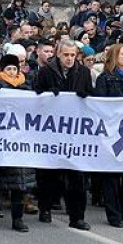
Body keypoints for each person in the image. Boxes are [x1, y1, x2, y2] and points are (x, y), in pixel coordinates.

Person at [33, 39, 93, 231]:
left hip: (74, 134)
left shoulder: (83, 72)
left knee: (77, 177)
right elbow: (35, 96)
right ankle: (45, 208)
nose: (69, 59)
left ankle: (77, 217)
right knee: (50, 175)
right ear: (58, 54)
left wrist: (86, 96)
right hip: (51, 133)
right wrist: (48, 95)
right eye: (65, 55)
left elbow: (93, 99)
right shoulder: (46, 71)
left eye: (72, 55)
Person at [0, 53, 35, 232]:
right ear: (2, 70)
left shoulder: (27, 87)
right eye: (9, 68)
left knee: (20, 183)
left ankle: (17, 219)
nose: (13, 72)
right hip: (1, 140)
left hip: (21, 141)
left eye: (15, 68)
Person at [94, 44, 123, 228]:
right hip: (111, 132)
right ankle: (113, 215)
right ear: (115, 56)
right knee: (111, 177)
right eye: (122, 54)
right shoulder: (105, 79)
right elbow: (101, 104)